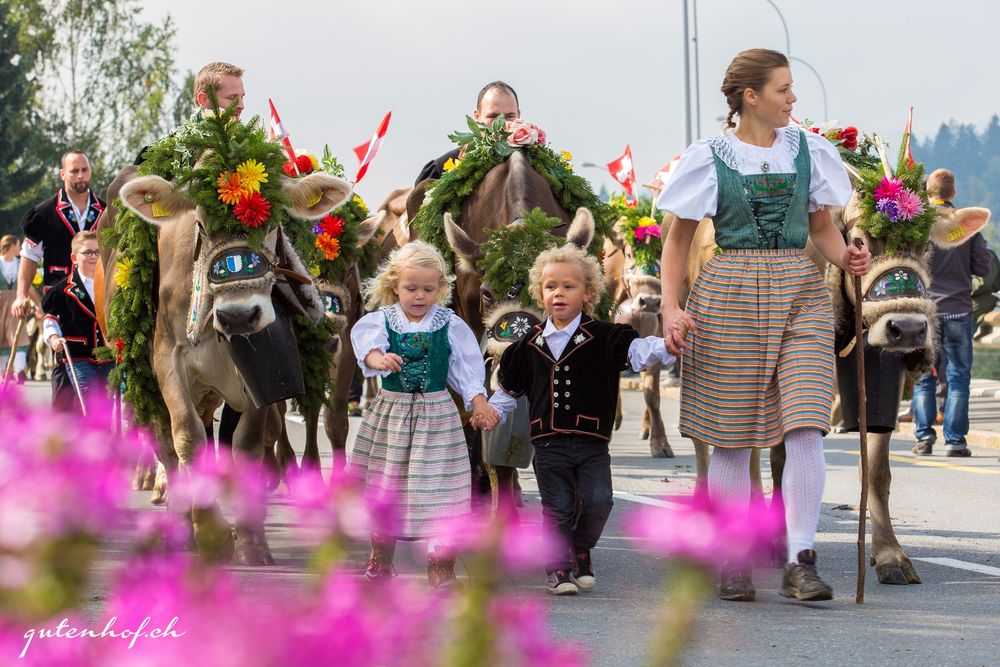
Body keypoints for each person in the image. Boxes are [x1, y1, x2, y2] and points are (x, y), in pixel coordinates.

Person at [657, 48, 871, 603]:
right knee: (730, 435)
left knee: (805, 424)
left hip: (800, 289)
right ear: (751, 96)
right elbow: (676, 242)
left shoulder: (809, 151)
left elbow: (821, 227)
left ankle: (801, 556)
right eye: (783, 89)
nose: (793, 99)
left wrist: (845, 254)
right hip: (727, 293)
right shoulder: (708, 157)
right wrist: (671, 308)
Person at [484, 244, 674, 595]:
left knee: (599, 501)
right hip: (548, 444)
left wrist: (669, 344)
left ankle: (580, 548)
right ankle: (557, 569)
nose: (559, 293)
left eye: (569, 286)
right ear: (539, 293)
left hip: (592, 443)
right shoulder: (525, 347)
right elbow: (508, 391)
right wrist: (491, 412)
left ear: (588, 293)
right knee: (555, 507)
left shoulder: (606, 337)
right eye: (550, 286)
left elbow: (639, 352)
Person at [348, 240, 499, 588]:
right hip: (392, 415)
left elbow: (466, 371)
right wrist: (378, 359)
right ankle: (380, 560)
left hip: (437, 416)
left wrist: (478, 402)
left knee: (441, 488)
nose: (419, 296)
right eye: (411, 288)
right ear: (394, 286)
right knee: (387, 485)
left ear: (440, 288)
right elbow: (367, 350)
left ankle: (441, 564)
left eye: (428, 289)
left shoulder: (450, 323)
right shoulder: (381, 321)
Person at [910, 169, 991, 457]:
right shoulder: (964, 226)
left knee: (923, 376)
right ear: (953, 194)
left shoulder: (916, 225)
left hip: (924, 315)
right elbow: (983, 267)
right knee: (958, 378)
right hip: (958, 312)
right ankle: (955, 441)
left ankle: (923, 437)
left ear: (927, 193)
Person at [10, 150, 105, 319]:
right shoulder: (43, 214)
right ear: (62, 174)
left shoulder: (106, 212)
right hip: (60, 301)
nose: (81, 176)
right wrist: (21, 294)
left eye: (85, 170)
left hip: (99, 300)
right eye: (74, 171)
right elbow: (29, 256)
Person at [41, 231, 113, 410]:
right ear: (74, 257)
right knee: (88, 397)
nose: (94, 257)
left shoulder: (112, 284)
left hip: (109, 355)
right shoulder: (61, 290)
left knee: (110, 401)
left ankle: (106, 437)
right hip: (78, 355)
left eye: (97, 252)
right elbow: (50, 319)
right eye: (87, 252)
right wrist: (53, 338)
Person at [414, 80, 521, 184]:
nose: (501, 124)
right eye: (493, 116)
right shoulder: (439, 171)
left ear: (518, 115)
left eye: (509, 116)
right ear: (477, 117)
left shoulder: (535, 164)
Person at [0, 235, 39, 383]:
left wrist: (37, 305)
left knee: (20, 336)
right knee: (2, 338)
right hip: (0, 303)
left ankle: (19, 370)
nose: (20, 247)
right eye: (18, 245)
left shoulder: (19, 263)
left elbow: (28, 288)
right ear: (11, 245)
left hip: (16, 302)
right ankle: (3, 371)